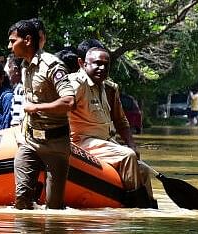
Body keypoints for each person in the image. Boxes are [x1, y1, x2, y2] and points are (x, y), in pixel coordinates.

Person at [67, 46, 156, 207]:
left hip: (103, 142)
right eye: (97, 63)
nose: (102, 68)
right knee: (127, 156)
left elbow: (121, 121)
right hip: (81, 142)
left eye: (106, 65)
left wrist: (132, 145)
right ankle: (135, 205)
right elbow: (61, 108)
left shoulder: (105, 87)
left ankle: (151, 207)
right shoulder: (77, 84)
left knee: (142, 168)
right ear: (82, 64)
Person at [9, 17, 75, 210]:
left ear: (27, 40)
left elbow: (68, 101)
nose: (9, 46)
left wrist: (37, 108)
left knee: (54, 207)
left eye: (13, 41)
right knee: (21, 199)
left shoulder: (52, 65)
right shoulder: (24, 67)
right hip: (30, 141)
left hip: (55, 143)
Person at [7, 56, 25, 128]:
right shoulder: (18, 87)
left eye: (9, 67)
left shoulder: (20, 89)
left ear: (15, 69)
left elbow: (16, 120)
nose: (8, 71)